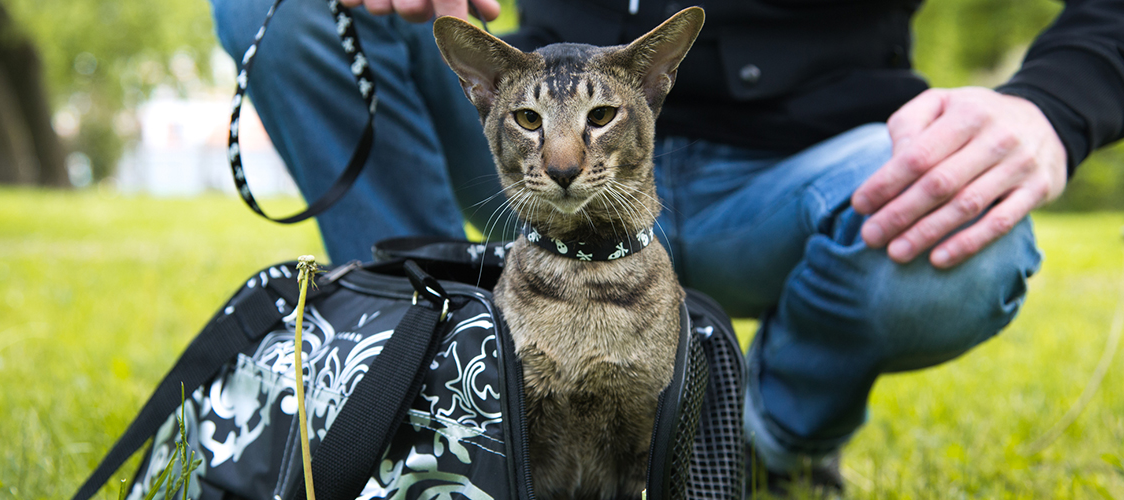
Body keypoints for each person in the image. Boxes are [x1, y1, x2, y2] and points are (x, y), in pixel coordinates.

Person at [209, 0, 1124, 491]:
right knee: (270, 3)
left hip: (796, 163)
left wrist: (1057, 99)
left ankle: (761, 441)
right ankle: (425, 387)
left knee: (972, 234)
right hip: (538, 124)